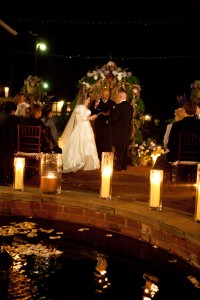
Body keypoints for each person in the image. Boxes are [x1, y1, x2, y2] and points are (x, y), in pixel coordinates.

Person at [59, 93, 100, 173]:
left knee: (86, 144)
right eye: (88, 100)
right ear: (84, 100)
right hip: (82, 128)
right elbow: (84, 118)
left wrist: (94, 109)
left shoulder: (83, 107)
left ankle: (87, 161)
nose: (89, 101)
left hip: (86, 127)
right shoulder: (80, 107)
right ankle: (79, 161)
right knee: (81, 143)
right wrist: (93, 117)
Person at [153, 100, 199, 170]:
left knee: (160, 159)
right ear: (196, 111)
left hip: (178, 157)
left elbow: (170, 145)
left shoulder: (176, 125)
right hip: (198, 157)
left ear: (184, 110)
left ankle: (158, 179)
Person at [109, 91, 133, 171]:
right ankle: (124, 165)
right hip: (126, 130)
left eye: (118, 96)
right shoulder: (130, 107)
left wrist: (109, 121)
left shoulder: (119, 106)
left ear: (120, 97)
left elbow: (115, 118)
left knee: (119, 148)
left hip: (119, 130)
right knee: (125, 148)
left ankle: (118, 166)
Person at [90, 89, 116, 160]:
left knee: (108, 142)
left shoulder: (112, 103)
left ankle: (107, 158)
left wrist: (108, 115)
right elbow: (91, 111)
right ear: (102, 94)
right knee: (98, 141)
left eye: (107, 95)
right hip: (98, 125)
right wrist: (96, 107)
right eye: (104, 94)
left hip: (108, 126)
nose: (105, 96)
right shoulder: (97, 102)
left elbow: (114, 114)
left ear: (109, 95)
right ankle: (98, 157)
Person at [0, 101, 19, 185]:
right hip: (6, 144)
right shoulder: (11, 118)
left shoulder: (1, 116)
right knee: (7, 160)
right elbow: (13, 134)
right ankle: (6, 179)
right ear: (12, 111)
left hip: (2, 143)